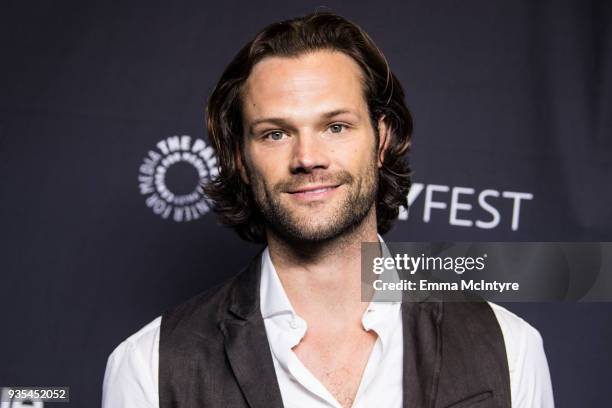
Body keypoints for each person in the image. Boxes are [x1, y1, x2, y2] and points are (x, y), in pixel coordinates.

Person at [102, 11, 554, 408]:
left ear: (382, 139)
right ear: (239, 157)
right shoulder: (151, 367)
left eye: (336, 126)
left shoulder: (508, 347)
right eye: (275, 133)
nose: (308, 157)